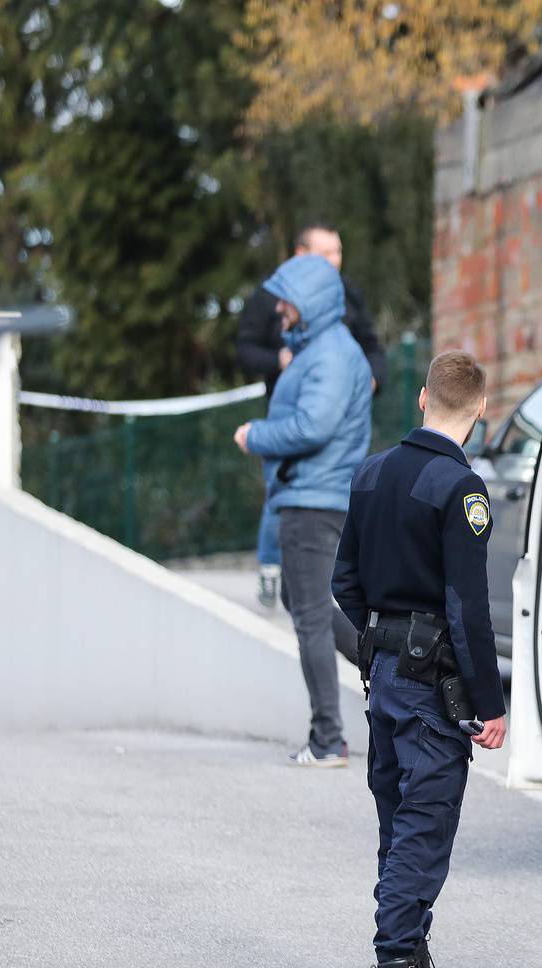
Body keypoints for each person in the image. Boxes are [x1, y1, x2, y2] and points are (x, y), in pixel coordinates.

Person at [332, 350, 507, 968]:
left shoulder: (372, 472)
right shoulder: (458, 488)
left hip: (385, 679)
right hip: (430, 684)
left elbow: (344, 583)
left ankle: (413, 966)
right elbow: (467, 608)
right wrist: (490, 702)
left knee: (399, 824)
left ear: (424, 401)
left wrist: (380, 638)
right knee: (423, 830)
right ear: (481, 410)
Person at [232, 253, 372, 768]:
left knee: (310, 614)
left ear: (310, 301)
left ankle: (327, 738)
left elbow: (314, 425)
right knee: (301, 599)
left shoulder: (331, 355)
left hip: (314, 501)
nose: (281, 310)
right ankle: (383, 665)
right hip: (310, 496)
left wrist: (256, 436)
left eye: (288, 300)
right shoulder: (319, 350)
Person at [236, 222, 385, 609]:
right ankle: (273, 568)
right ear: (301, 255)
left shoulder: (346, 297)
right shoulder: (273, 297)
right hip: (288, 412)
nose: (335, 261)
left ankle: (331, 588)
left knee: (312, 607)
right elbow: (245, 350)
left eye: (338, 252)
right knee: (280, 493)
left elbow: (371, 344)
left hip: (332, 417)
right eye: (326, 254)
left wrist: (372, 377)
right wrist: (280, 360)